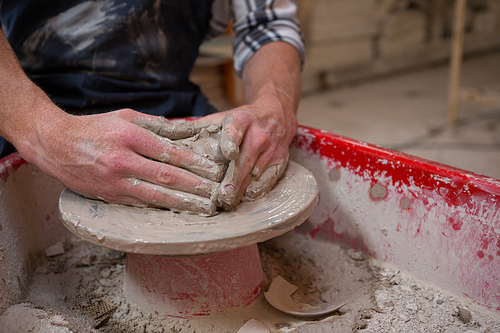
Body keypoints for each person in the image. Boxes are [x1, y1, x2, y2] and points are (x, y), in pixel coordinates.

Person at [0, 0, 304, 211]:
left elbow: (266, 25)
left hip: (169, 103)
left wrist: (275, 103)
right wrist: (47, 133)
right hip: (32, 106)